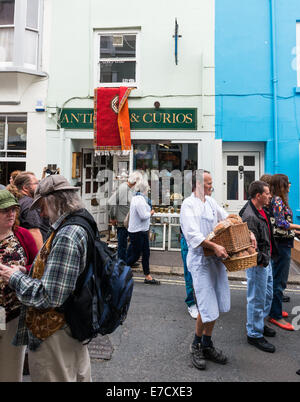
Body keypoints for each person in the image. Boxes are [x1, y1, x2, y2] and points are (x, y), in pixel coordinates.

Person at [0, 175, 94, 382]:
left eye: (41, 205)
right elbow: (56, 277)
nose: (40, 213)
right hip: (71, 325)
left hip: (55, 330)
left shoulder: (67, 235)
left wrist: (14, 276)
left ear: (53, 202)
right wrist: (27, 273)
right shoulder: (79, 223)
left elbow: (49, 296)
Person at [180, 170, 255, 370]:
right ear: (196, 184)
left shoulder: (211, 202)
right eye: (207, 183)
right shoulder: (188, 205)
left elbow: (227, 220)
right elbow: (192, 235)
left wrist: (248, 234)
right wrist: (214, 246)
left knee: (217, 304)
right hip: (200, 262)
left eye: (211, 183)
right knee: (206, 306)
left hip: (216, 260)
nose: (211, 187)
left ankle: (207, 343)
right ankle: (195, 345)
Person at [0, 190, 38, 382]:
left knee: (10, 370)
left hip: (14, 313)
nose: (11, 214)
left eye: (13, 209)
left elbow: (39, 267)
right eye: (5, 210)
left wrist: (23, 270)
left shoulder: (22, 235)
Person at [240, 181, 277, 353]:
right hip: (258, 263)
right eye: (267, 193)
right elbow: (248, 244)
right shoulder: (250, 216)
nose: (270, 196)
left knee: (267, 295)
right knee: (256, 298)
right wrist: (262, 259)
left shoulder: (262, 209)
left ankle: (259, 323)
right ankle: (254, 334)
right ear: (258, 196)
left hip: (266, 260)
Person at [268, 174, 300, 330]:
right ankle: (275, 316)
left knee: (277, 279)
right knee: (279, 281)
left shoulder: (276, 200)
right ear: (282, 185)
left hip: (282, 244)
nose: (289, 185)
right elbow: (281, 222)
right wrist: (298, 228)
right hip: (282, 245)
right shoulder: (278, 200)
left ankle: (275, 309)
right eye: (288, 183)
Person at [126, 179, 160, 285]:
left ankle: (147, 276)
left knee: (146, 253)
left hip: (142, 230)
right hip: (137, 232)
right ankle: (119, 271)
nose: (148, 190)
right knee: (136, 255)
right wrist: (151, 212)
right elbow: (143, 216)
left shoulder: (138, 198)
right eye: (147, 188)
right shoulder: (139, 200)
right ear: (144, 189)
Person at [108, 171, 143, 262]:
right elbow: (111, 202)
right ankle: (122, 263)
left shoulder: (128, 188)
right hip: (122, 222)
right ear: (135, 183)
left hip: (127, 222)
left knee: (130, 242)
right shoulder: (124, 188)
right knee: (122, 244)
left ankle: (127, 261)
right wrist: (112, 217)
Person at [14, 171, 50, 249]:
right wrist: (39, 259)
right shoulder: (29, 204)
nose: (39, 186)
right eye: (36, 183)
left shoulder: (19, 200)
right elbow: (34, 232)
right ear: (25, 188)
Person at [180, 231, 197, 319]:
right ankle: (191, 303)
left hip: (204, 239)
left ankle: (201, 301)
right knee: (189, 274)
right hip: (188, 240)